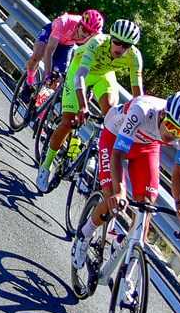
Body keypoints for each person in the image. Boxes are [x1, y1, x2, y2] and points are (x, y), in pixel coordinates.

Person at [85, 86, 180, 245]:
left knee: (146, 205)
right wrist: (120, 191)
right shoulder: (142, 110)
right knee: (112, 196)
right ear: (163, 114)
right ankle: (84, 235)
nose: (173, 135)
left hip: (146, 146)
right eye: (170, 126)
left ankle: (130, 250)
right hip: (114, 137)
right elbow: (118, 153)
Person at [35, 16, 137, 191]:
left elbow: (138, 96)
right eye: (117, 42)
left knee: (112, 113)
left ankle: (92, 150)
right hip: (80, 70)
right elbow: (80, 76)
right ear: (110, 38)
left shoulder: (135, 58)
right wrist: (83, 105)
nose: (120, 48)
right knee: (69, 121)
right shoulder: (97, 42)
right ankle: (46, 165)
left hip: (104, 76)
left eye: (126, 45)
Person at [21, 7, 103, 114]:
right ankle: (29, 82)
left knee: (55, 79)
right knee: (37, 56)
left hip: (67, 46)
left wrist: (90, 86)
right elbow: (49, 51)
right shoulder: (65, 22)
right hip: (51, 34)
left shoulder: (97, 37)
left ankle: (38, 108)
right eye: (85, 30)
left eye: (90, 33)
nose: (86, 35)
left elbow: (95, 61)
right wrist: (47, 75)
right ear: (79, 24)